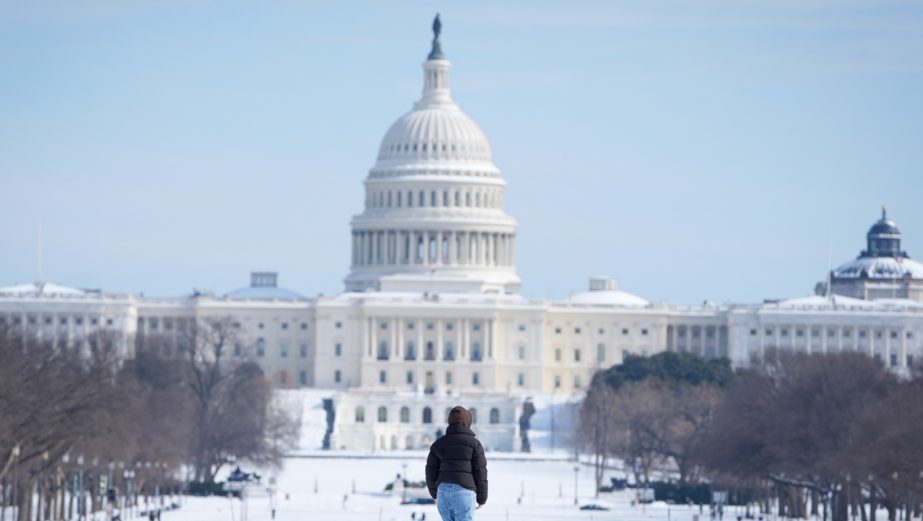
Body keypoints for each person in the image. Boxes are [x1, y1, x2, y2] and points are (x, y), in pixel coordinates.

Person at [425, 405, 487, 521]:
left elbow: (430, 471)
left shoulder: (438, 444)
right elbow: (480, 472)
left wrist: (434, 494)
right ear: (467, 422)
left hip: (443, 492)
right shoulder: (475, 444)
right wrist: (482, 498)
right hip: (464, 492)